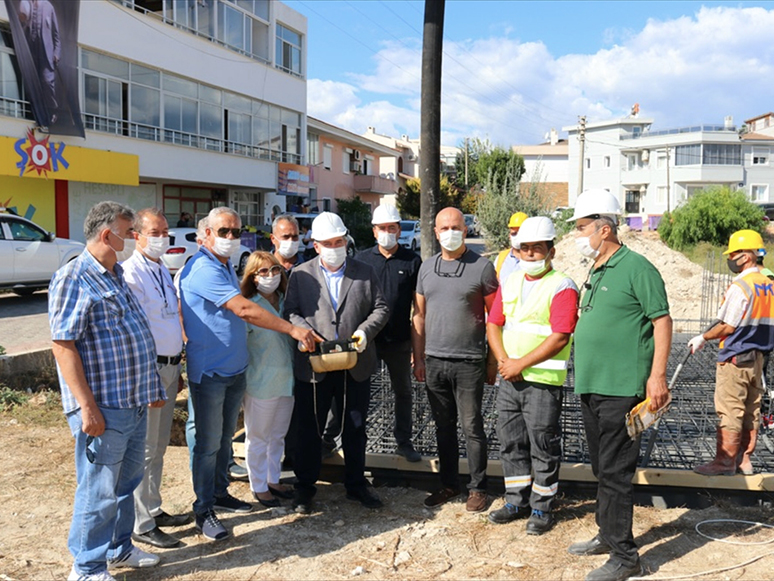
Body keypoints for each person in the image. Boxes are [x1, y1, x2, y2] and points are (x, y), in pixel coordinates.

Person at [179, 207, 318, 542]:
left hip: (234, 370)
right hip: (210, 371)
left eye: (235, 232)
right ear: (207, 234)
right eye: (223, 231)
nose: (230, 238)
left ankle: (221, 493)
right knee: (208, 443)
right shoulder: (202, 268)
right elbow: (242, 308)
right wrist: (293, 330)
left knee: (225, 440)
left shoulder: (224, 265)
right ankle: (204, 509)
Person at [49, 201, 164, 581]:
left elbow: (129, 336)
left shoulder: (114, 273)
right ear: (105, 235)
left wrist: (151, 387)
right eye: (128, 232)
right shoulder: (74, 277)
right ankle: (85, 568)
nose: (132, 239)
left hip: (131, 403)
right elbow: (63, 345)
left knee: (124, 484)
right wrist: (86, 407)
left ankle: (119, 549)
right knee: (98, 489)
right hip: (102, 406)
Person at [567, 188, 672, 581]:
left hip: (622, 388)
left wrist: (656, 375)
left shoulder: (637, 268)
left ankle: (625, 557)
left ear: (605, 228)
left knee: (615, 471)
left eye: (581, 228)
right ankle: (607, 535)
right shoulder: (596, 268)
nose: (578, 236)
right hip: (593, 385)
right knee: (601, 466)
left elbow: (662, 321)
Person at [284, 212, 389, 514]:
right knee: (309, 429)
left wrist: (364, 332)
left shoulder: (365, 272)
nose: (335, 247)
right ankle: (305, 488)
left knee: (355, 426)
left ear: (346, 241)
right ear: (316, 246)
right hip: (314, 368)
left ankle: (356, 485)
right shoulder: (301, 275)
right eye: (328, 243)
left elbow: (381, 308)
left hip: (354, 363)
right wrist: (304, 331)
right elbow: (290, 311)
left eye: (339, 241)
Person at [486, 217, 578, 535]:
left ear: (550, 250)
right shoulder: (510, 281)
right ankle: (516, 500)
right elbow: (494, 324)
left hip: (542, 381)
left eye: (537, 248)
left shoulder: (562, 286)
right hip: (510, 379)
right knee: (511, 442)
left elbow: (560, 337)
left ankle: (542, 506)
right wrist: (503, 361)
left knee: (543, 444)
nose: (530, 254)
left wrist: (519, 364)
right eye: (524, 248)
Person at [413, 207, 499, 512]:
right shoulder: (426, 268)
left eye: (455, 226)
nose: (450, 232)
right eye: (444, 228)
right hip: (435, 361)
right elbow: (419, 316)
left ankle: (478, 488)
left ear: (465, 229)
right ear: (436, 233)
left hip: (469, 362)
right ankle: (448, 484)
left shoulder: (483, 268)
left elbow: (495, 317)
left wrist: (492, 360)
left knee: (472, 426)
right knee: (443, 426)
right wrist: (418, 357)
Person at [121, 208, 190, 550]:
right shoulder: (131, 273)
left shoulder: (161, 268)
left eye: (165, 231)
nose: (162, 238)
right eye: (155, 232)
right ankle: (141, 523)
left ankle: (154, 507)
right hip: (148, 370)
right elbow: (133, 332)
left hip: (169, 367)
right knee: (145, 449)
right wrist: (148, 374)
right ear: (137, 235)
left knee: (159, 447)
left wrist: (175, 365)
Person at [688, 230, 774, 476]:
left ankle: (724, 463)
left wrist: (703, 337)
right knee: (751, 409)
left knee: (730, 410)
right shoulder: (769, 285)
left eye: (734, 253)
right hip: (758, 359)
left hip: (736, 358)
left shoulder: (741, 286)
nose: (731, 258)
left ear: (747, 256)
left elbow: (727, 325)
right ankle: (744, 461)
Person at [356, 204, 423, 462]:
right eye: (382, 228)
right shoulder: (361, 260)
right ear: (374, 232)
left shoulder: (411, 261)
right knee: (360, 390)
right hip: (368, 341)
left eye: (391, 228)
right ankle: (348, 438)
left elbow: (419, 309)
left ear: (399, 229)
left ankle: (403, 441)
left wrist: (418, 351)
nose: (387, 232)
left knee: (403, 392)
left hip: (399, 341)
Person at [240, 251, 295, 507]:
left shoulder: (286, 301)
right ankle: (259, 485)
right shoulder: (248, 305)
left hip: (287, 379)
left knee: (278, 436)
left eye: (274, 270)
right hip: (260, 381)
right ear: (252, 276)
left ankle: (273, 479)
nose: (270, 276)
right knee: (258, 436)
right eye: (263, 272)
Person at [19, 0, 60, 126]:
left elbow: (56, 34)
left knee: (47, 83)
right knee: (32, 82)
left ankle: (53, 111)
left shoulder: (49, 7)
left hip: (45, 53)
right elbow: (21, 19)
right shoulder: (25, 3)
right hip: (30, 50)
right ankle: (35, 113)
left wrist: (56, 53)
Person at [494, 211, 528, 283]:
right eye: (514, 233)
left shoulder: (536, 259)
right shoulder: (501, 258)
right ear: (509, 235)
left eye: (520, 233)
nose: (517, 236)